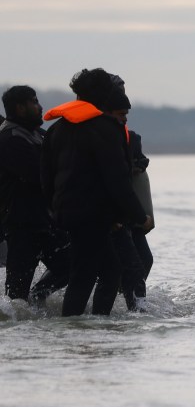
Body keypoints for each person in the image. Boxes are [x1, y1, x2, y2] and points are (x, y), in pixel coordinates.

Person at [41, 69, 153, 316]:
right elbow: (117, 180)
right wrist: (138, 216)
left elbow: (46, 179)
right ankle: (76, 327)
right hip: (93, 215)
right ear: (104, 95)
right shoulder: (105, 129)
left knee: (108, 270)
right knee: (85, 275)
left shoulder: (56, 130)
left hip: (67, 213)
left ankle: (94, 327)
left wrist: (57, 209)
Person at [0, 86, 70, 302]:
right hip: (21, 226)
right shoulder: (9, 139)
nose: (40, 107)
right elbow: (38, 175)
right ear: (20, 108)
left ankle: (36, 299)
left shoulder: (38, 134)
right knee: (15, 297)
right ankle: (18, 323)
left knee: (70, 265)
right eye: (34, 102)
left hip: (46, 222)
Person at [100, 85, 155, 310]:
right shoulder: (97, 138)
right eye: (121, 115)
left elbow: (142, 160)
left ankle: (131, 302)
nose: (124, 120)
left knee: (144, 260)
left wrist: (135, 166)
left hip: (129, 211)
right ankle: (133, 308)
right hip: (112, 214)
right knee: (125, 265)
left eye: (126, 115)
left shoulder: (132, 138)